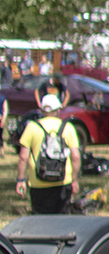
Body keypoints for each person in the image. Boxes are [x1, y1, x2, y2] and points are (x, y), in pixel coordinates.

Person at [15, 83, 82, 214]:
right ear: (58, 109)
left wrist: (20, 179)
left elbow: (23, 157)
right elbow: (75, 156)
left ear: (41, 110)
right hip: (63, 181)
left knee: (41, 221)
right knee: (62, 220)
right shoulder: (68, 128)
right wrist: (74, 180)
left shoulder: (32, 127)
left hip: (38, 182)